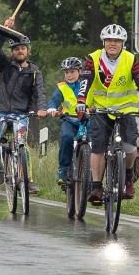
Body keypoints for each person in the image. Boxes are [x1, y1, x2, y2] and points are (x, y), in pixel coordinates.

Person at [76, 24, 139, 202]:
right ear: (104, 42)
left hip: (125, 108)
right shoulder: (93, 59)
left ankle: (128, 178)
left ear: (123, 44)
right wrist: (81, 100)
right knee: (98, 146)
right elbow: (86, 80)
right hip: (100, 108)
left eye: (117, 41)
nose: (112, 44)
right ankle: (97, 187)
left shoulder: (130, 59)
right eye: (109, 40)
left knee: (130, 143)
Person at [0, 17, 48, 194]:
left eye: (23, 48)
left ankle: (27, 180)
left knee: (22, 144)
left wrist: (42, 108)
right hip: (0, 113)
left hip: (21, 115)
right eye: (16, 49)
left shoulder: (34, 71)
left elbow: (40, 92)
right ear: (12, 51)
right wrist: (4, 31)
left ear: (28, 50)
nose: (20, 51)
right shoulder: (5, 66)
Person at [47, 57, 85, 186]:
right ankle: (63, 170)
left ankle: (90, 176)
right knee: (67, 137)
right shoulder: (61, 87)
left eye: (72, 72)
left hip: (86, 120)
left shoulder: (87, 84)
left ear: (79, 72)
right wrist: (52, 108)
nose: (69, 75)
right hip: (69, 120)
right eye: (66, 72)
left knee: (93, 142)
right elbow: (54, 99)